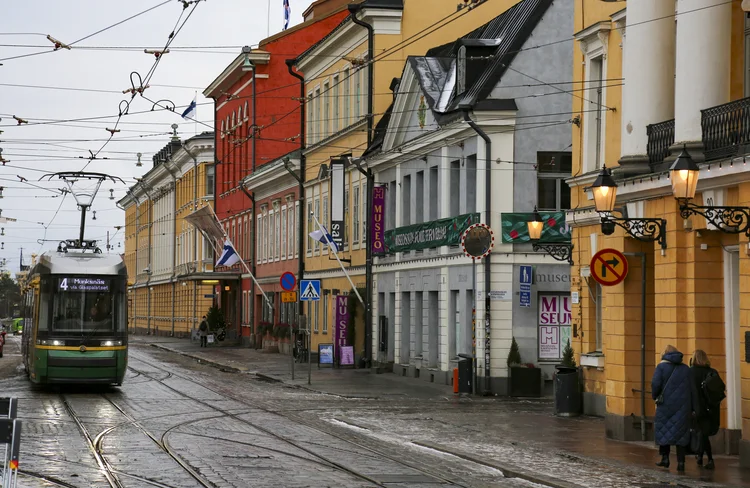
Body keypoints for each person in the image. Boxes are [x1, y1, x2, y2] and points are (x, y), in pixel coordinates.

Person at [652, 344, 698, 472]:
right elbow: (692, 389)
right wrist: (694, 407)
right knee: (681, 434)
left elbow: (655, 384)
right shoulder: (686, 369)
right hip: (683, 406)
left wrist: (655, 396)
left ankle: (665, 459)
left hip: (665, 405)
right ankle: (681, 463)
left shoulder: (661, 367)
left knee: (664, 430)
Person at [690, 349, 724, 470]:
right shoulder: (712, 372)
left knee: (701, 434)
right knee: (703, 434)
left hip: (697, 408)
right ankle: (702, 457)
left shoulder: (691, 372)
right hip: (711, 409)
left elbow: (689, 392)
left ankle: (708, 458)